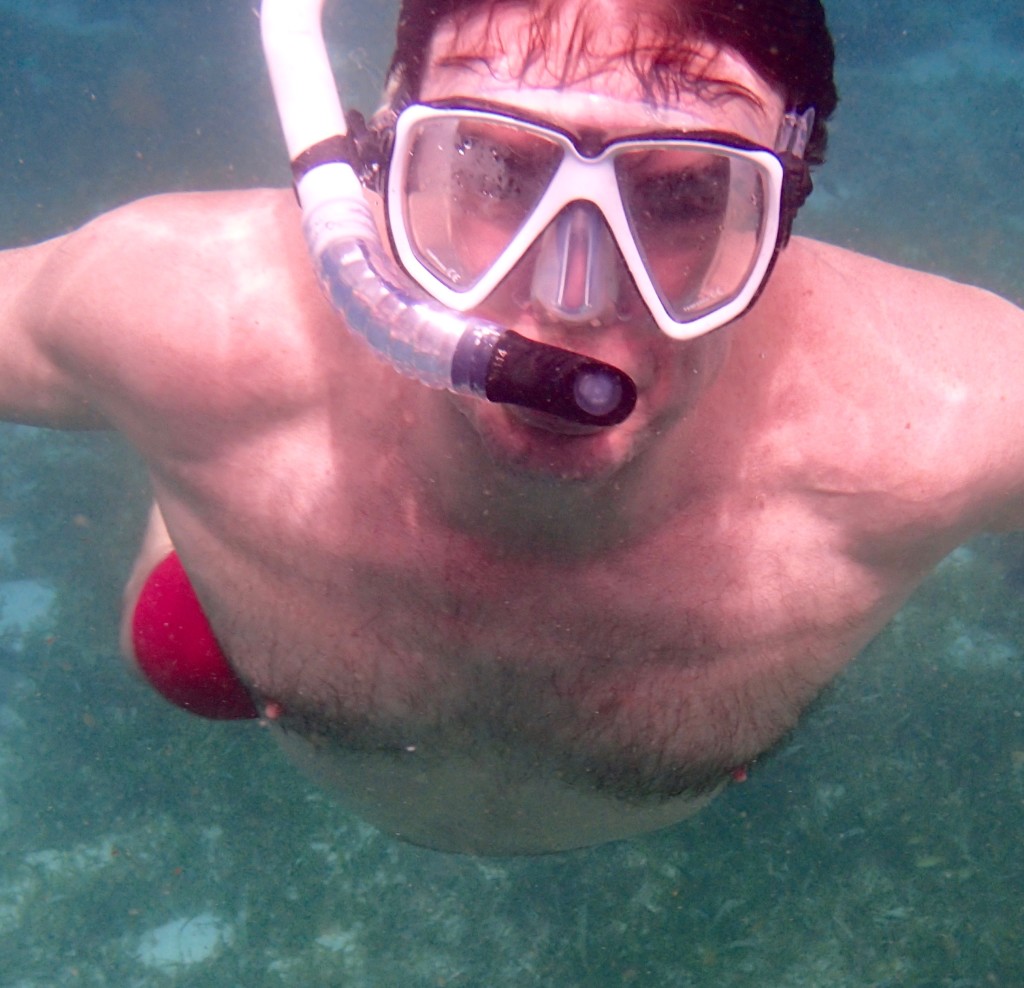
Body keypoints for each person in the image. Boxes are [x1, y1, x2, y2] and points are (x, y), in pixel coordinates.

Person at [1, 0, 1022, 856]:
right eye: (491, 168)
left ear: (782, 210)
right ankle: (184, 523)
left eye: (680, 193)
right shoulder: (188, 322)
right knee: (181, 619)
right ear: (370, 173)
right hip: (228, 580)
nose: (570, 300)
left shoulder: (933, 418)